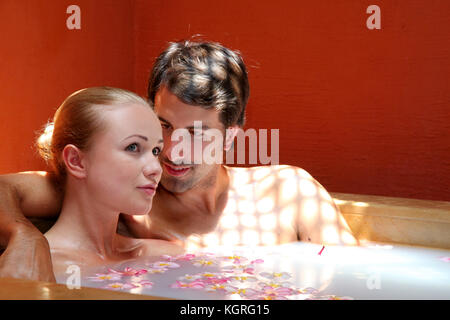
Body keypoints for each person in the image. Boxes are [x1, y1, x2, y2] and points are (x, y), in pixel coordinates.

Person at [0, 41, 357, 282]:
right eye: (163, 125)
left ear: (230, 137)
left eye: (197, 133)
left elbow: (360, 281)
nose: (171, 150)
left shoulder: (288, 192)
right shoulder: (127, 193)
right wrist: (25, 236)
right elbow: (5, 189)